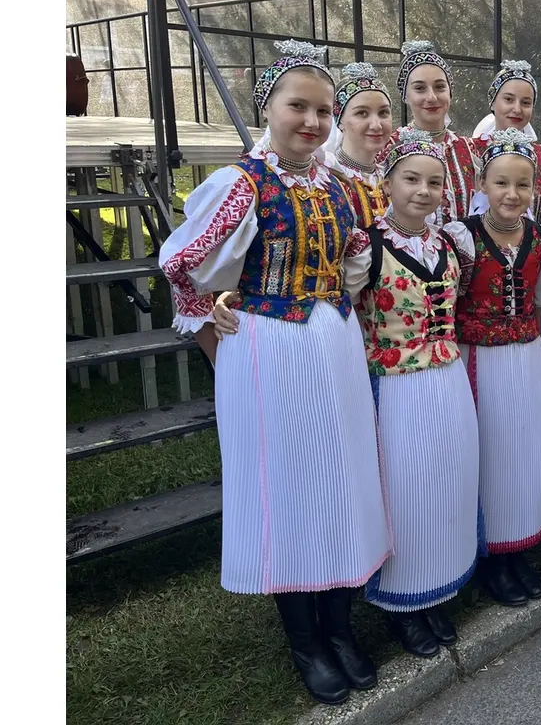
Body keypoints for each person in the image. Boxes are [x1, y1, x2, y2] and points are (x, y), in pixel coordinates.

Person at [159, 40, 389, 705]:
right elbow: (182, 265)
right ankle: (305, 639)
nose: (312, 121)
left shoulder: (342, 185)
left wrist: (347, 286)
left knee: (344, 477)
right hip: (269, 352)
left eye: (324, 109)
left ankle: (341, 626)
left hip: (336, 346)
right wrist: (213, 329)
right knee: (285, 488)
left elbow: (354, 256)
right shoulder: (241, 183)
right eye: (299, 106)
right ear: (269, 107)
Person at [357, 127, 480, 659]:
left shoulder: (449, 242)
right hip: (395, 385)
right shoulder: (366, 245)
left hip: (448, 379)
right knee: (403, 488)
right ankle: (402, 604)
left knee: (446, 479)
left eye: (434, 181)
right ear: (387, 182)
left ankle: (439, 585)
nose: (423, 191)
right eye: (411, 179)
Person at [447, 129, 541, 607]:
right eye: (500, 184)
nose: (511, 194)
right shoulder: (461, 237)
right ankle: (493, 555)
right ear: (482, 183)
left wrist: (529, 341)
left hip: (526, 358)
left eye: (522, 184)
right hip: (479, 360)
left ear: (535, 188)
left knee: (527, 448)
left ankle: (519, 549)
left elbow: (540, 303)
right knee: (491, 451)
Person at [382, 40, 478, 224]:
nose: (432, 97)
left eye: (440, 87)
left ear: (450, 92)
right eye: (419, 88)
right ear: (405, 95)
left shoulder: (470, 149)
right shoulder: (390, 149)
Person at [469, 60, 541, 225]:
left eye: (525, 103)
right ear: (493, 102)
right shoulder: (469, 152)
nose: (517, 109)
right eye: (509, 99)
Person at [324, 62, 392, 229]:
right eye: (362, 113)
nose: (376, 125)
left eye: (384, 112)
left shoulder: (393, 176)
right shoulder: (327, 178)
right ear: (340, 122)